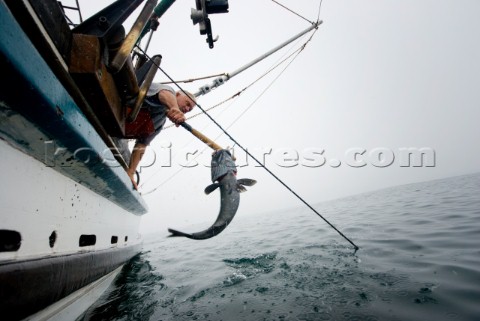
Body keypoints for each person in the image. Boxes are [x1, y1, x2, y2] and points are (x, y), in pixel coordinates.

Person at [127, 83, 196, 189]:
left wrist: (130, 173)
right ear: (177, 94)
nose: (187, 109)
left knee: (123, 162)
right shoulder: (166, 91)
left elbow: (142, 145)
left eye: (189, 109)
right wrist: (175, 108)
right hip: (107, 106)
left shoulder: (159, 123)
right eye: (187, 104)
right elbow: (164, 93)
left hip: (112, 133)